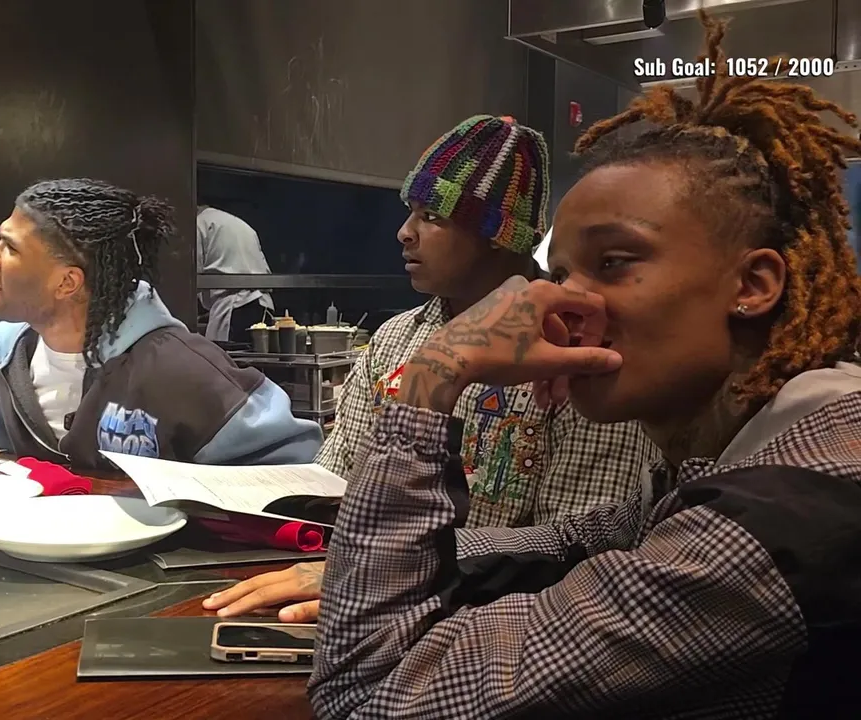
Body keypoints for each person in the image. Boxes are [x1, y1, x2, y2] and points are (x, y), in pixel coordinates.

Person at [309, 13, 861, 718]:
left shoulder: (794, 507)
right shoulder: (761, 447)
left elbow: (366, 694)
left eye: (615, 261)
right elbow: (582, 540)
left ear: (753, 285)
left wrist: (430, 376)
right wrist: (357, 569)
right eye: (563, 274)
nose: (567, 304)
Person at [204, 115, 657, 622]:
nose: (405, 232)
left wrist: (382, 569)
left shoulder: (574, 352)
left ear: (498, 234)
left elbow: (576, 549)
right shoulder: (393, 340)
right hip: (361, 589)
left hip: (490, 619)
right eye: (410, 212)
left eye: (432, 216)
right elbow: (338, 485)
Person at [0, 178, 323, 470]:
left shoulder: (177, 367)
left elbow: (293, 467)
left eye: (10, 247)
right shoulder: (5, 353)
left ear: (67, 283)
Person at [196, 204, 275, 342]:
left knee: (226, 355)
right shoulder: (242, 225)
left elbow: (191, 276)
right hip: (263, 306)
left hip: (234, 308)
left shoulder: (198, 224)